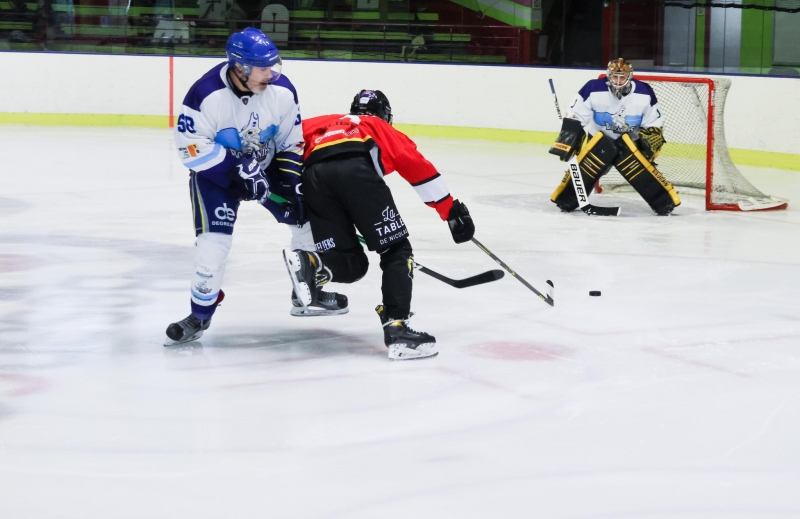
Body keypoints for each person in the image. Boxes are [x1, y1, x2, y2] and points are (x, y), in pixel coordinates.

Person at [165, 28, 347, 346]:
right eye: (263, 68)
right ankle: (199, 315)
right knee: (213, 247)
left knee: (305, 220)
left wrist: (293, 183)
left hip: (267, 168)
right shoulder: (205, 94)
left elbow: (291, 142)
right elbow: (189, 147)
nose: (271, 74)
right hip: (217, 178)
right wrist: (237, 170)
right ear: (240, 67)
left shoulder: (282, 90)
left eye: (273, 66)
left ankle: (307, 291)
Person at [282, 90, 476, 361]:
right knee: (397, 250)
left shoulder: (321, 122)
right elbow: (414, 164)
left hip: (314, 180)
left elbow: (283, 149)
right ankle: (398, 330)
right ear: (385, 114)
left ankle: (311, 262)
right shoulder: (377, 125)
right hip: (357, 174)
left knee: (351, 263)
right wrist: (449, 211)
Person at [549, 58, 681, 216]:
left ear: (629, 76)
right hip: (599, 140)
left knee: (641, 172)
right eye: (614, 77)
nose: (618, 81)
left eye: (622, 77)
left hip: (630, 142)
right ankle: (567, 199)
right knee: (587, 170)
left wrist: (649, 144)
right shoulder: (592, 88)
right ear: (608, 75)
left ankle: (662, 202)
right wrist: (568, 139)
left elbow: (654, 122)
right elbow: (576, 114)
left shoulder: (644, 92)